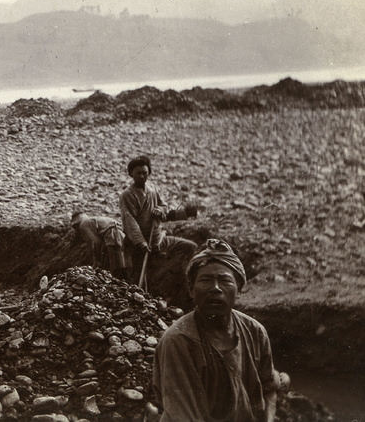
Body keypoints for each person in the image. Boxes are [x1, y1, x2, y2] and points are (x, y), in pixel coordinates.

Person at [153, 239, 278, 421]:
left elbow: (269, 389)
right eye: (205, 280)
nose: (215, 288)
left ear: (239, 288)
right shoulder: (178, 341)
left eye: (225, 280)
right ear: (191, 290)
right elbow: (184, 415)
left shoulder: (255, 331)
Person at [120, 156, 197, 304]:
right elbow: (129, 221)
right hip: (139, 246)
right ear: (131, 174)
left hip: (157, 239)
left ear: (149, 172)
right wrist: (141, 242)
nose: (142, 176)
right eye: (138, 173)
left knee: (189, 247)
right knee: (139, 280)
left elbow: (163, 205)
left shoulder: (152, 188)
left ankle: (181, 282)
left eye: (145, 172)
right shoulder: (127, 195)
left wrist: (160, 211)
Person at [70, 211, 131, 281]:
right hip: (119, 234)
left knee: (116, 264)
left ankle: (118, 281)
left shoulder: (83, 224)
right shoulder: (91, 220)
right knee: (120, 262)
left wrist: (96, 260)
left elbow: (96, 242)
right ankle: (123, 280)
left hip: (113, 235)